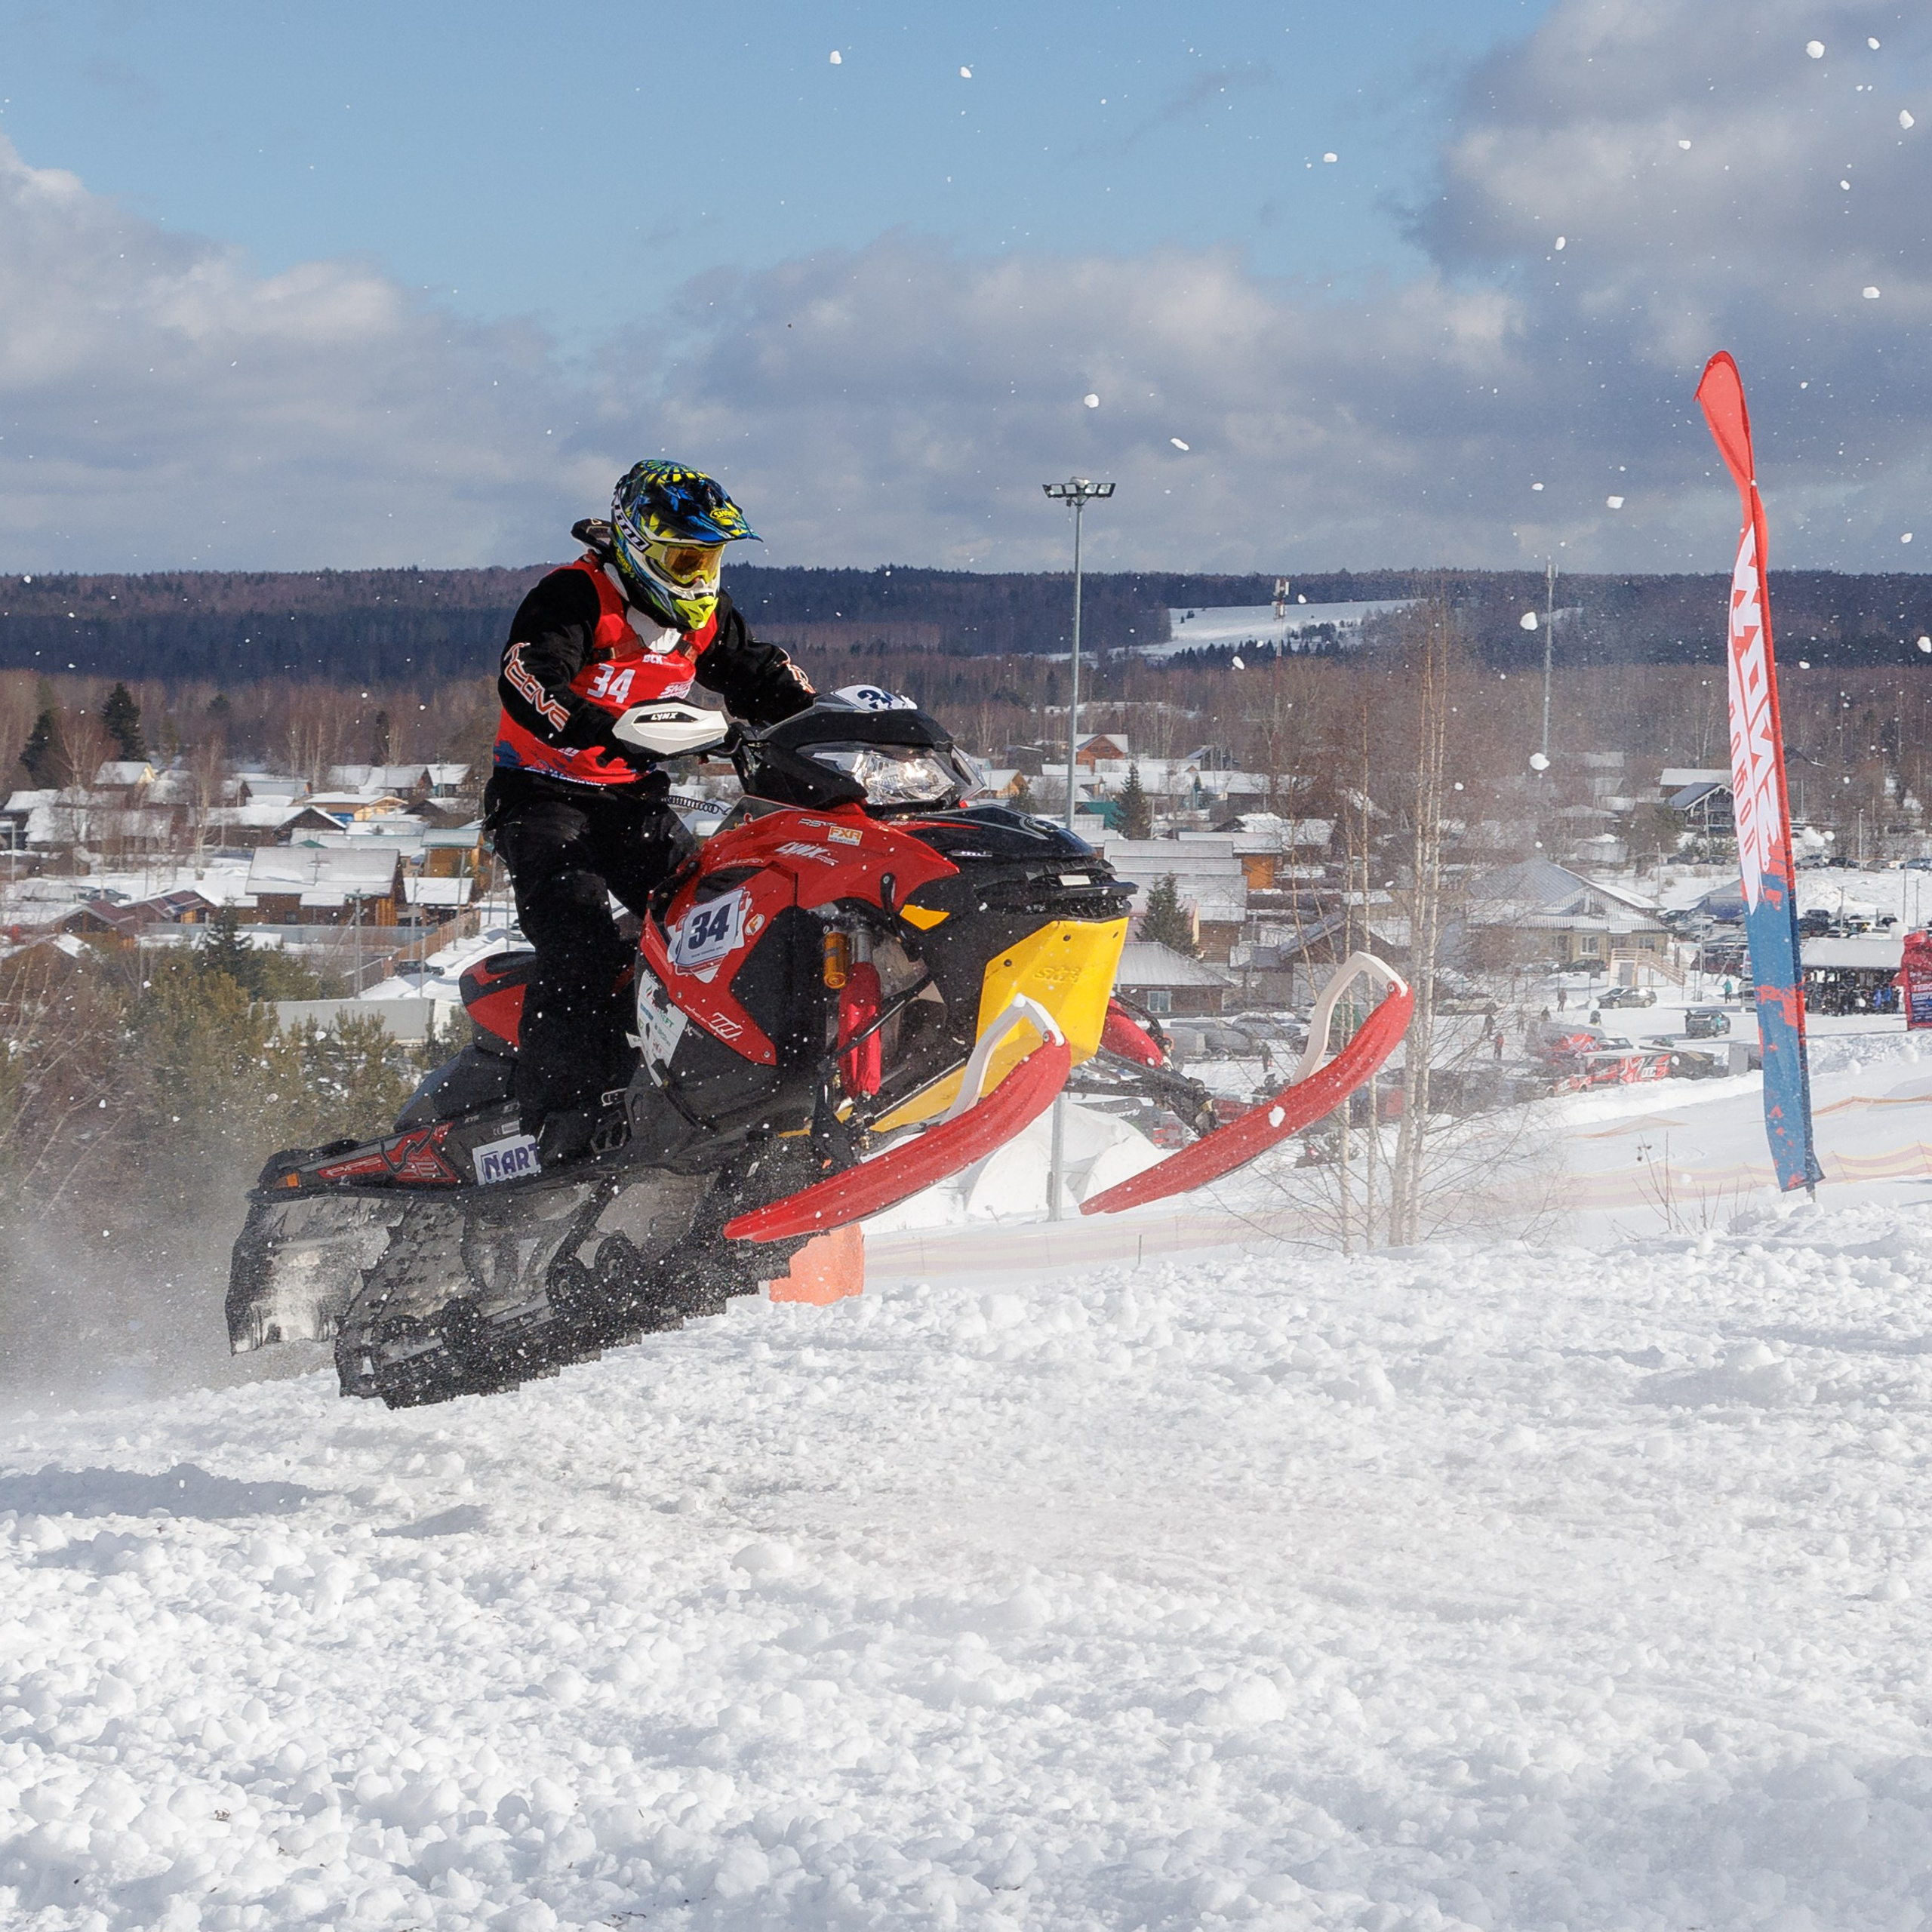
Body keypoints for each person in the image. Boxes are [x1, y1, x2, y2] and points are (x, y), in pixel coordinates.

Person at [485, 460, 815, 1159]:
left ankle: (726, 1077)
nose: (699, 576)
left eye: (709, 560)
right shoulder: (576, 596)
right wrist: (600, 727)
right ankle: (559, 1119)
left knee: (716, 919)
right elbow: (525, 677)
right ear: (639, 547)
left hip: (631, 799)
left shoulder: (705, 618)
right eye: (684, 559)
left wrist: (819, 724)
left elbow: (758, 675)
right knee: (578, 936)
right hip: (542, 795)